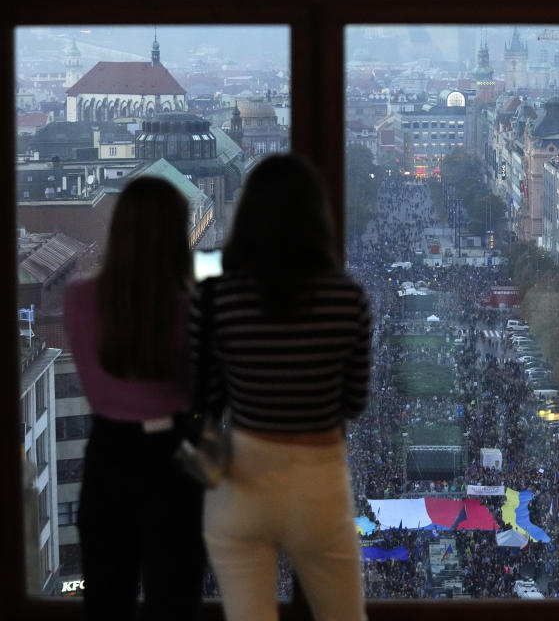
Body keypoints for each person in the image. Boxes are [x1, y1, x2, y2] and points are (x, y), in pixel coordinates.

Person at [195, 153, 370, 621]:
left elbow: (203, 395)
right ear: (318, 217)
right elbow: (353, 401)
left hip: (242, 480)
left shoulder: (219, 293)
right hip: (319, 479)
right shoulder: (345, 296)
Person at [64, 176, 204, 620]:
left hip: (107, 452)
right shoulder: (189, 305)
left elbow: (91, 376)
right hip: (174, 454)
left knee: (106, 598)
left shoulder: (78, 298)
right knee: (175, 598)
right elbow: (198, 388)